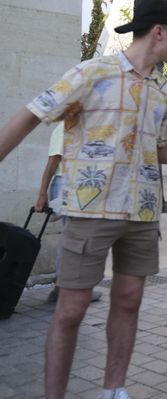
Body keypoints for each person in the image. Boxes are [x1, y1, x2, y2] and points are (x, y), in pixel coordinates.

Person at [0, 0, 167, 399]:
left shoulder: (162, 88)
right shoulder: (94, 72)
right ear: (158, 31)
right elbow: (31, 114)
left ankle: (114, 389)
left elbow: (158, 149)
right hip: (90, 210)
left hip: (142, 213)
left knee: (128, 300)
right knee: (70, 309)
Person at [34, 123, 102, 304]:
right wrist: (42, 194)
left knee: (76, 238)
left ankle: (66, 289)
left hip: (80, 185)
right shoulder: (65, 127)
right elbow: (52, 161)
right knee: (73, 239)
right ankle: (64, 289)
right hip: (66, 184)